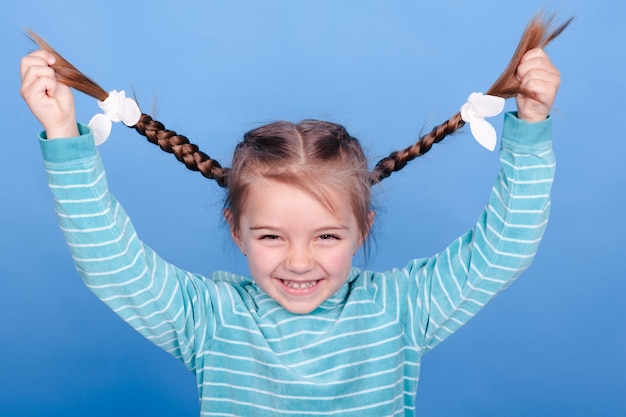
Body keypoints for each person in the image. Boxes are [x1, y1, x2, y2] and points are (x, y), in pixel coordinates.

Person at [20, 14, 567, 417]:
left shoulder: (401, 310)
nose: (299, 261)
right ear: (237, 232)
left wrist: (531, 125)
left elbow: (505, 248)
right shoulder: (212, 319)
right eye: (272, 236)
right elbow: (112, 264)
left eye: (327, 235)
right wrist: (65, 137)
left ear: (362, 229)